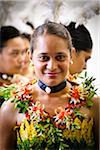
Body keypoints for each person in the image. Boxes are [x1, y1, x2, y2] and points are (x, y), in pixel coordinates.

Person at [0, 21, 99, 149]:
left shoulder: (93, 104)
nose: (52, 66)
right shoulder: (11, 107)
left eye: (60, 57)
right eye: (44, 58)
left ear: (71, 55)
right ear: (31, 57)